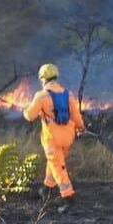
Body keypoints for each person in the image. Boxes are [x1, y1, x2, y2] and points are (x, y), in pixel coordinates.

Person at [23, 63, 85, 214]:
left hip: (52, 138)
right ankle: (46, 189)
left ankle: (68, 198)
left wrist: (26, 109)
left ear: (43, 79)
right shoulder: (68, 94)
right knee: (55, 162)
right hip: (68, 136)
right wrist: (81, 127)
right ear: (56, 76)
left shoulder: (41, 96)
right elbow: (76, 117)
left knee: (58, 167)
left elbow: (30, 116)